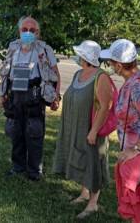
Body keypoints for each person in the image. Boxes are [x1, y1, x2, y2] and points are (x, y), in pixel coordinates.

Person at [100, 39, 140, 222]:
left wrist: (135, 150)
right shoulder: (135, 80)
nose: (109, 66)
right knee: (138, 206)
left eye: (110, 63)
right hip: (135, 155)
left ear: (119, 65)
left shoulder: (137, 86)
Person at [52, 40, 114, 219]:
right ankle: (84, 193)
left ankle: (93, 203)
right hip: (75, 126)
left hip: (91, 128)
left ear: (86, 57)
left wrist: (94, 131)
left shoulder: (101, 77)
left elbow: (105, 106)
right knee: (81, 157)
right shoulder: (78, 73)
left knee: (93, 161)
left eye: (80, 54)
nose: (77, 57)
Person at [0, 16, 61, 181]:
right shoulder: (13, 47)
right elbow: (5, 72)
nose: (28, 33)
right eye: (24, 30)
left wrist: (56, 97)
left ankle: (34, 171)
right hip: (15, 94)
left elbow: (55, 74)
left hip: (34, 95)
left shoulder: (44, 50)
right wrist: (2, 95)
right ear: (19, 31)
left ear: (38, 33)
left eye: (32, 30)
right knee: (16, 132)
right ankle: (18, 166)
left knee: (34, 132)